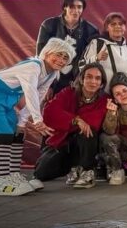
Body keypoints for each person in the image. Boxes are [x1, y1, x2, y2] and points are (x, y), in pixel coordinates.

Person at [0, 38, 75, 196]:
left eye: (65, 58)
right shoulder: (33, 66)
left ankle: (14, 177)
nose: (61, 60)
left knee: (17, 134)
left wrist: (22, 121)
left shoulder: (52, 74)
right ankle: (3, 182)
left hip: (7, 98)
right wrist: (38, 120)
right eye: (58, 55)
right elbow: (30, 92)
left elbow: (39, 96)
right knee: (4, 136)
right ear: (47, 53)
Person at [32, 62, 109, 190]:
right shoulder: (68, 92)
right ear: (81, 79)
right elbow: (50, 111)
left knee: (88, 131)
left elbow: (94, 121)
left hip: (87, 143)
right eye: (89, 77)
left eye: (97, 78)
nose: (93, 81)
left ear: (101, 83)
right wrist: (75, 120)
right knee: (41, 173)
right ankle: (74, 168)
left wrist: (71, 120)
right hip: (63, 140)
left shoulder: (105, 99)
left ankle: (87, 171)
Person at [35, 0, 99, 93]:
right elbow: (41, 56)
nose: (76, 11)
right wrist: (47, 85)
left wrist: (81, 82)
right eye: (72, 7)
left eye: (79, 7)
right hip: (51, 80)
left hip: (78, 82)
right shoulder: (49, 25)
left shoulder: (91, 30)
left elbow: (91, 60)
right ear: (65, 7)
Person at [82, 12, 127, 97]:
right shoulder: (97, 44)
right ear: (107, 28)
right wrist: (96, 58)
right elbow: (81, 66)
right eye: (113, 24)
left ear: (125, 28)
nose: (117, 26)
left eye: (120, 24)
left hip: (124, 98)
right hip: (101, 97)